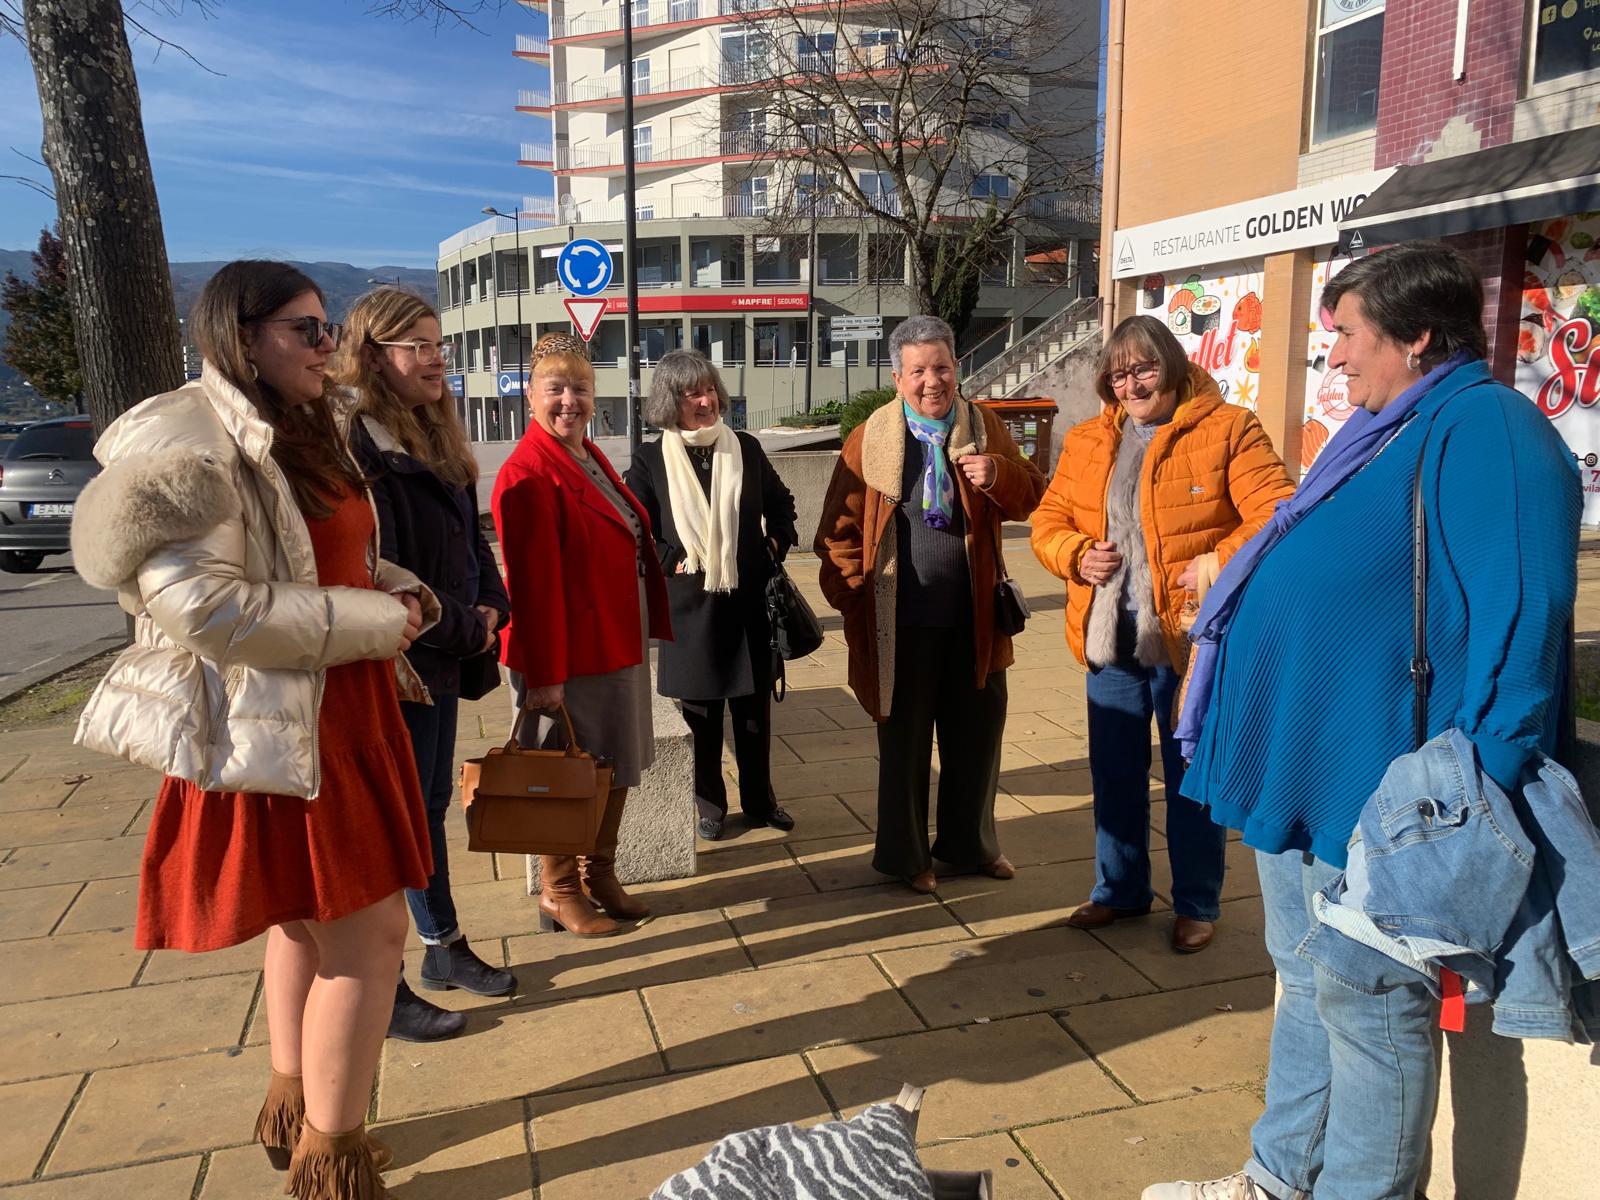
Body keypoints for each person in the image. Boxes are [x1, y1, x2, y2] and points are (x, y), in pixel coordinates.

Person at [1147, 242, 1580, 1199]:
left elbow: (1523, 616)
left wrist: (1464, 805)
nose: (1334, 354)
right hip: (1309, 772)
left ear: (1416, 334)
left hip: (1388, 797)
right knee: (1306, 977)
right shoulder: (1386, 427)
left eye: (1347, 333)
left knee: (1374, 1008)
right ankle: (1279, 1177)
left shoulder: (1489, 426)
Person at [70, 261, 437, 1200]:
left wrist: (392, 587)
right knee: (372, 940)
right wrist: (372, 621)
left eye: (328, 326)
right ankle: (331, 1158)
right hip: (280, 724)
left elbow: (320, 555)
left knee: (308, 928)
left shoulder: (298, 420)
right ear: (243, 336)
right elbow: (207, 609)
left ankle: (292, 1109)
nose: (328, 345)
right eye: (306, 329)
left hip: (335, 705)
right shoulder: (189, 436)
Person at [1031, 315, 1294, 954]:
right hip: (1109, 639)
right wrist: (1075, 555)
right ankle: (1119, 890)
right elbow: (1048, 520)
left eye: (1144, 369)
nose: (1133, 385)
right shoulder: (1088, 439)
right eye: (1119, 374)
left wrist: (1213, 564)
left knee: (1190, 776)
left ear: (1172, 366)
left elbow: (1278, 510)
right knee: (1115, 772)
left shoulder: (1229, 428)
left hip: (1189, 641)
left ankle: (1197, 902)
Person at [333, 287, 515, 1043]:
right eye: (420, 346)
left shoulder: (436, 431)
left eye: (441, 344)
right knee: (393, 822)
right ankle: (386, 983)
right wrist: (466, 625)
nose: (438, 359)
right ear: (375, 355)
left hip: (443, 658)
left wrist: (495, 602)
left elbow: (472, 539)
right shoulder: (359, 444)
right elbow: (387, 570)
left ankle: (442, 946)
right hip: (397, 663)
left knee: (430, 806)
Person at [817, 314, 1046, 892]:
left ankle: (971, 847)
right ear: (898, 378)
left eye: (941, 367)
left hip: (975, 621)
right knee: (905, 746)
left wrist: (997, 473)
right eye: (918, 371)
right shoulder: (869, 439)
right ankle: (907, 858)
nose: (932, 381)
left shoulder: (985, 427)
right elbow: (837, 534)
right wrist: (856, 603)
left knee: (977, 740)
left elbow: (1033, 495)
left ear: (956, 368)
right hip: (901, 624)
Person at [492, 332, 672, 937]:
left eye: (581, 389)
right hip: (568, 652)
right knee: (563, 774)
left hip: (613, 640)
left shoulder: (585, 455)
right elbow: (532, 588)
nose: (569, 401)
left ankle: (601, 874)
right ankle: (559, 888)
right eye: (555, 389)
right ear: (529, 395)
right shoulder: (527, 471)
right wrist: (544, 676)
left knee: (614, 764)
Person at [624, 349, 800, 841]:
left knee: (753, 716)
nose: (705, 401)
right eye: (691, 394)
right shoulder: (650, 459)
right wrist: (670, 561)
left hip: (748, 607)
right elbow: (634, 527)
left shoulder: (745, 447)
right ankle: (709, 805)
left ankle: (761, 803)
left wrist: (774, 544)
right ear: (671, 401)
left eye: (709, 390)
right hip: (691, 610)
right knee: (701, 718)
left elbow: (783, 505)